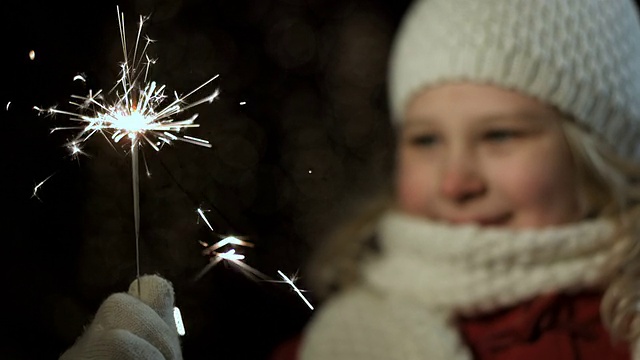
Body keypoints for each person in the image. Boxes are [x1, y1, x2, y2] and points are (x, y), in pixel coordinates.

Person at [60, 0, 640, 359]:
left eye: (501, 136)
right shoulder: (333, 347)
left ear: (601, 153)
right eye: (426, 139)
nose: (456, 180)